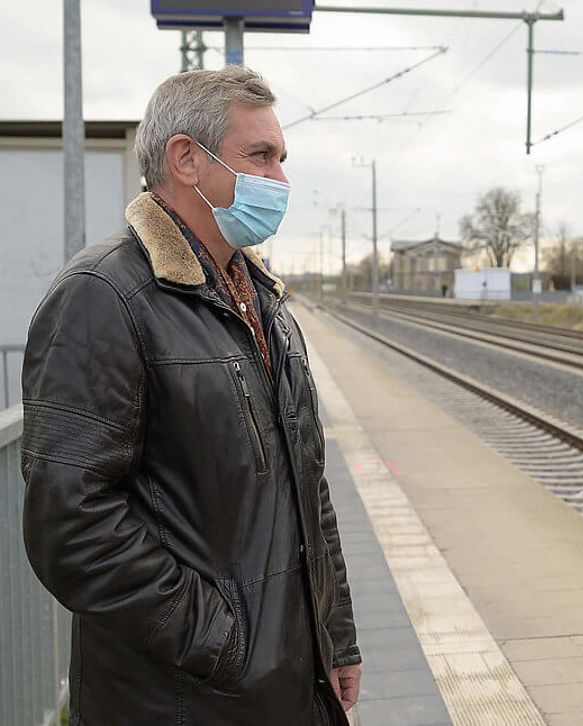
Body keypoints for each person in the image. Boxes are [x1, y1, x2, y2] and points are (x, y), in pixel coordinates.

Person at [21, 66, 361, 725]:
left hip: (289, 680)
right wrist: (223, 644)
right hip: (182, 699)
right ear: (186, 159)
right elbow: (72, 525)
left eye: (281, 159)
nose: (279, 179)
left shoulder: (261, 299)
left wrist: (334, 636)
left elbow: (308, 489)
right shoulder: (103, 296)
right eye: (260, 155)